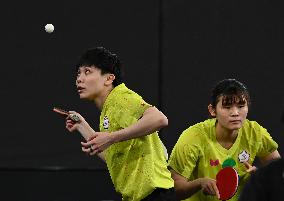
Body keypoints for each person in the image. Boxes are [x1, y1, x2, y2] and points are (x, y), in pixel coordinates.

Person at [64, 47, 176, 201]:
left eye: (87, 72)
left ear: (109, 78)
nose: (79, 79)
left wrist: (111, 137)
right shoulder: (108, 110)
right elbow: (113, 156)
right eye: (78, 73)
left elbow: (159, 119)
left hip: (155, 194)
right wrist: (82, 126)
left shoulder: (121, 97)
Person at [168, 78, 281, 201]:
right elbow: (174, 189)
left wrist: (260, 177)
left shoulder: (255, 133)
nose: (235, 113)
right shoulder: (193, 137)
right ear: (212, 110)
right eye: (227, 107)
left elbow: (279, 174)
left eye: (241, 106)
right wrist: (199, 183)